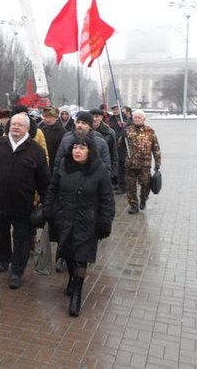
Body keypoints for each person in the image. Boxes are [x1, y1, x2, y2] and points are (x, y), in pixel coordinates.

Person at [43, 132, 115, 317]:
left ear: (90, 151)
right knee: (67, 254)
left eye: (82, 148)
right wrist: (48, 210)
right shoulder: (63, 166)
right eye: (75, 147)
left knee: (81, 257)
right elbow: (52, 189)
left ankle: (77, 293)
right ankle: (72, 279)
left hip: (88, 221)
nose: (77, 151)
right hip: (64, 217)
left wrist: (105, 223)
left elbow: (107, 199)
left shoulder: (99, 170)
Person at [0, 113, 50, 289]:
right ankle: (4, 259)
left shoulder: (36, 151)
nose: (15, 127)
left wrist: (46, 203)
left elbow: (44, 180)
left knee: (22, 238)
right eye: (13, 124)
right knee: (0, 234)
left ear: (27, 128)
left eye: (20, 125)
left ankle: (17, 271)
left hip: (23, 204)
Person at [123, 109, 161, 214]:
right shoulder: (128, 130)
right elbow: (120, 145)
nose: (137, 119)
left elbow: (156, 148)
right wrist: (121, 137)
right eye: (135, 117)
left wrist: (157, 163)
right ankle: (133, 205)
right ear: (133, 118)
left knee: (145, 184)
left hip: (145, 165)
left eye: (139, 117)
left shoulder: (150, 131)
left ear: (143, 119)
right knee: (130, 186)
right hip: (130, 164)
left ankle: (143, 199)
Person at [89, 108, 119, 181]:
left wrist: (113, 172)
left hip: (103, 168)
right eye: (92, 116)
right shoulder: (85, 130)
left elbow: (114, 153)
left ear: (101, 117)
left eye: (96, 116)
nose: (94, 119)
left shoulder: (109, 132)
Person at [39, 105, 66, 171]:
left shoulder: (62, 132)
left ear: (56, 117)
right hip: (43, 163)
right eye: (45, 117)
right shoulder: (41, 129)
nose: (47, 119)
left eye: (50, 117)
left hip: (56, 165)